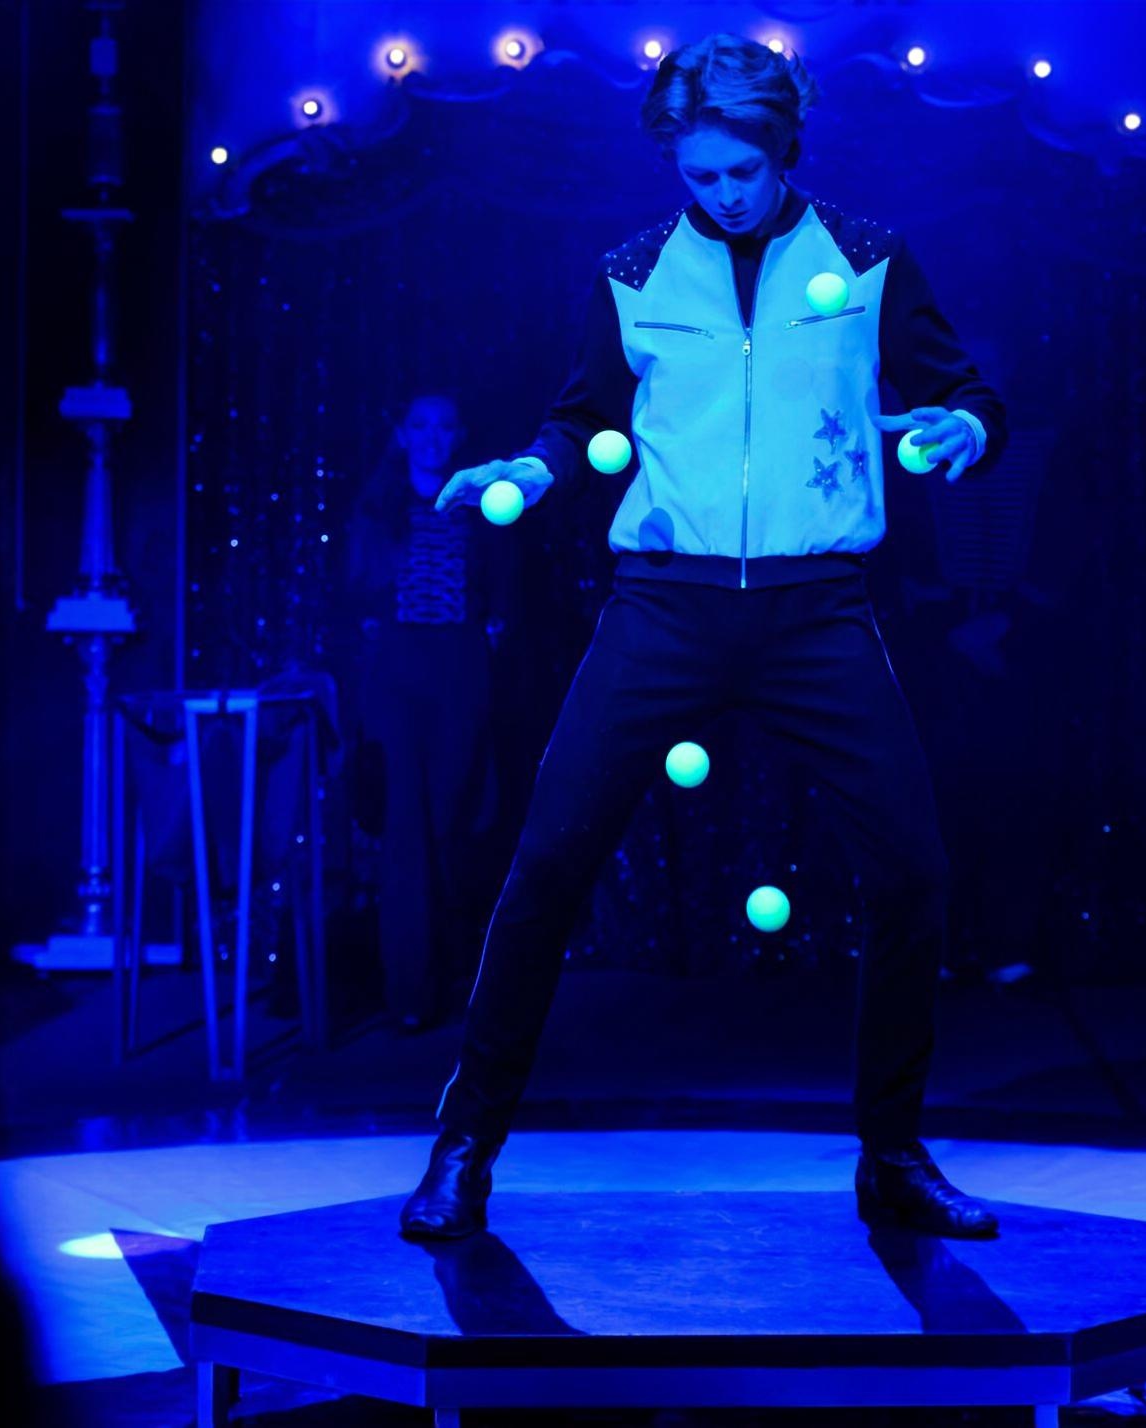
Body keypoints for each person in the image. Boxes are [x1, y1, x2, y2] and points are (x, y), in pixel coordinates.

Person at [401, 33, 1007, 1239]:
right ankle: (464, 1145)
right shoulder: (633, 273)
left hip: (817, 607)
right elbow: (580, 420)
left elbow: (966, 393)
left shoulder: (868, 260)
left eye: (742, 170)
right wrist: (528, 468)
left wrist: (962, 431)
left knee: (912, 873)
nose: (724, 193)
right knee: (546, 863)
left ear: (784, 149)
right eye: (701, 175)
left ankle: (891, 1153)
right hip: (664, 605)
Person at [344, 390, 511, 1032]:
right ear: (402, 434)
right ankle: (409, 991)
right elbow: (356, 598)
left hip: (460, 669)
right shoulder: (377, 508)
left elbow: (503, 601)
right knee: (405, 827)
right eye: (420, 425)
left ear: (459, 435)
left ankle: (449, 974)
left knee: (450, 821)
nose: (432, 437)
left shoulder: (482, 507)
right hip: (397, 672)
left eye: (444, 426)